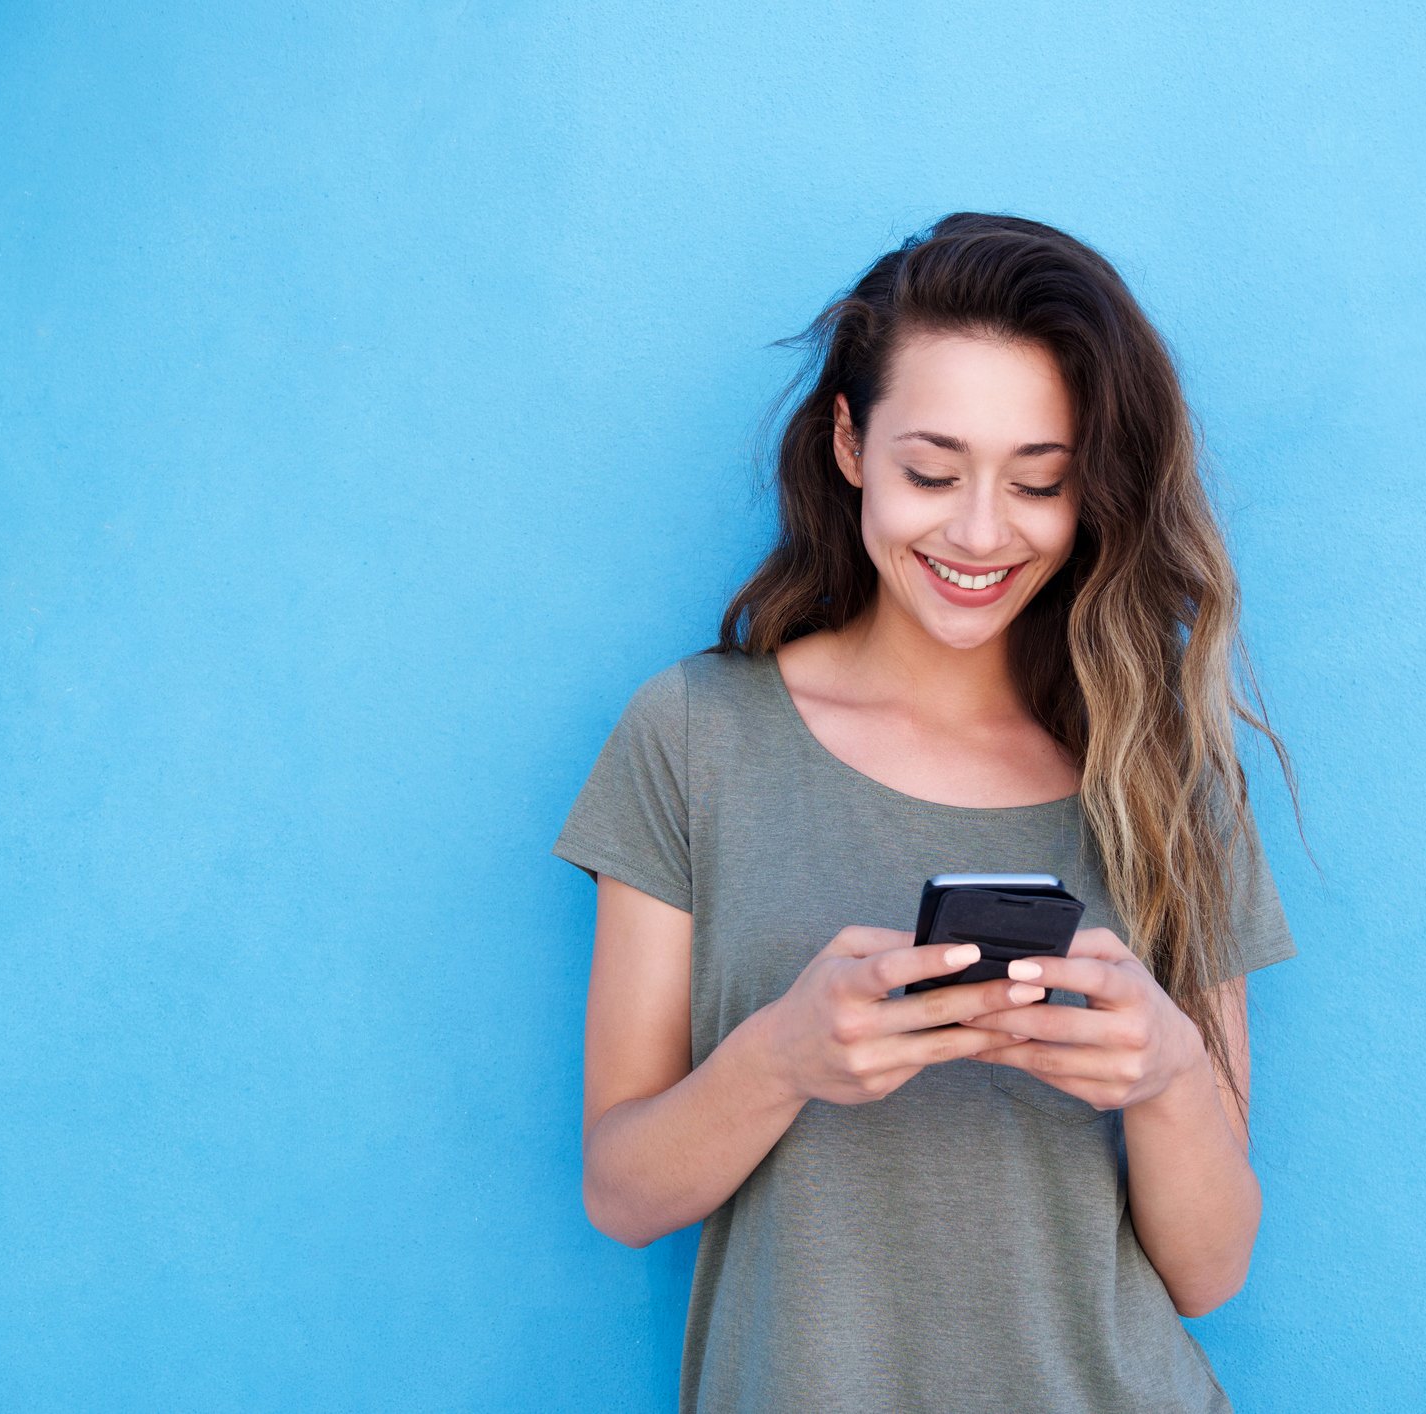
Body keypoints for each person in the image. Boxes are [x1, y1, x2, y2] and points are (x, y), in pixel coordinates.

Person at [551, 212, 1300, 1413]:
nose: (979, 532)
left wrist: (1164, 1074)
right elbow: (622, 1192)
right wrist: (784, 1054)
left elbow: (1209, 1272)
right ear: (848, 441)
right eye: (931, 471)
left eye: (1039, 482)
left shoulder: (1164, 774)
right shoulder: (693, 735)